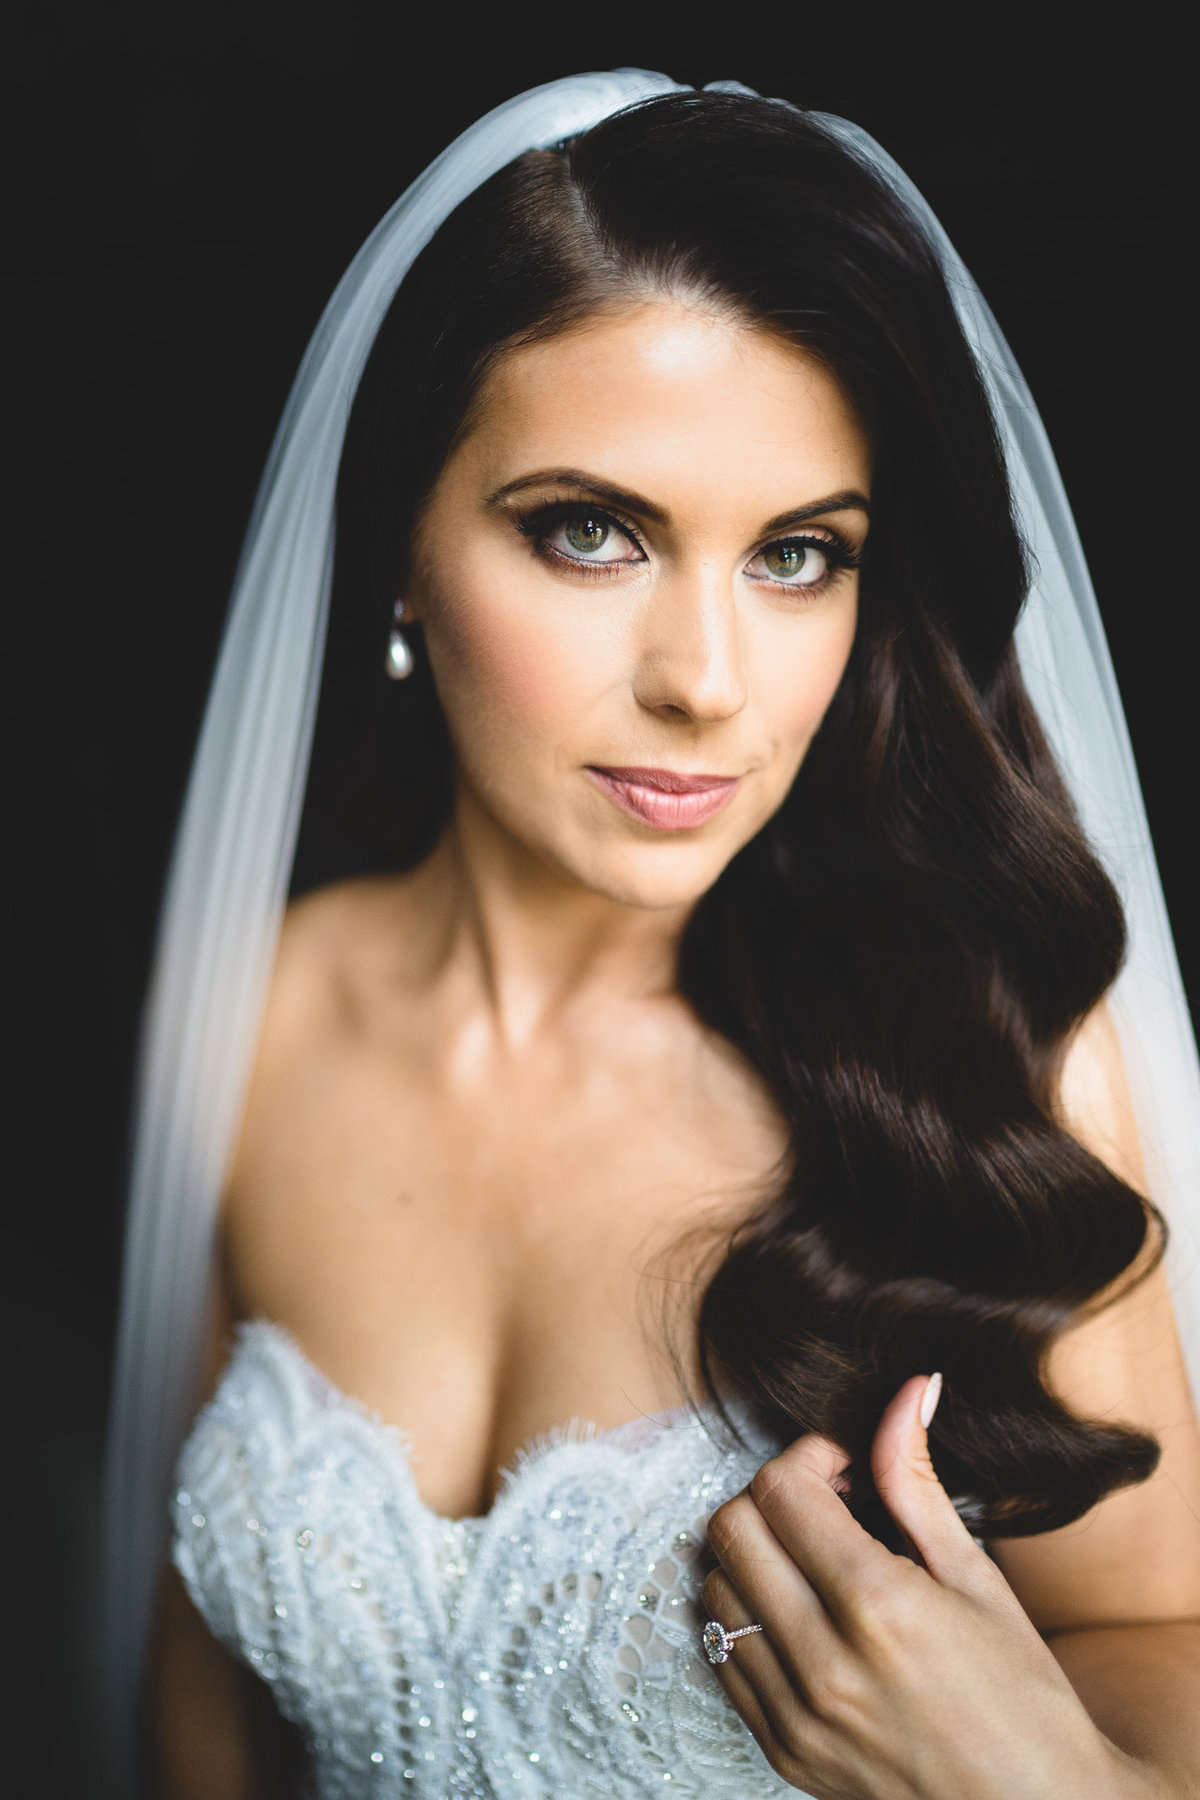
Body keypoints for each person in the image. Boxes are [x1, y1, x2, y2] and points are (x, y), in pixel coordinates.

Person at [105, 72, 1200, 1798]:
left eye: (795, 556)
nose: (705, 680)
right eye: (590, 532)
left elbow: (1164, 1639)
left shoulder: (984, 1064)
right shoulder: (256, 1012)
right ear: (399, 545)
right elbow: (199, 1680)